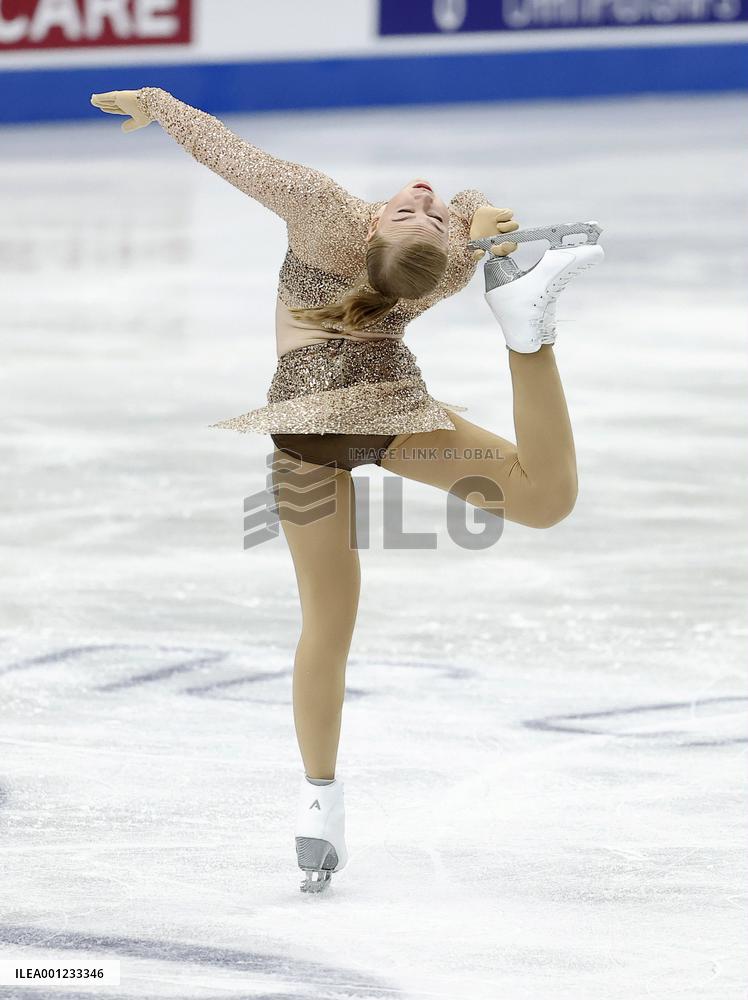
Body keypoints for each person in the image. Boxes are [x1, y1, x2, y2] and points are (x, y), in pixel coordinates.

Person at [90, 87, 597, 893]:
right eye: (414, 214)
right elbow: (456, 209)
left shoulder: (331, 213)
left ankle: (319, 804)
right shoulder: (447, 263)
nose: (422, 205)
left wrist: (159, 102)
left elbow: (236, 157)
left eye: (422, 217)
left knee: (326, 624)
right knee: (546, 497)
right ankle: (525, 337)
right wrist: (476, 214)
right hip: (388, 414)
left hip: (311, 429)